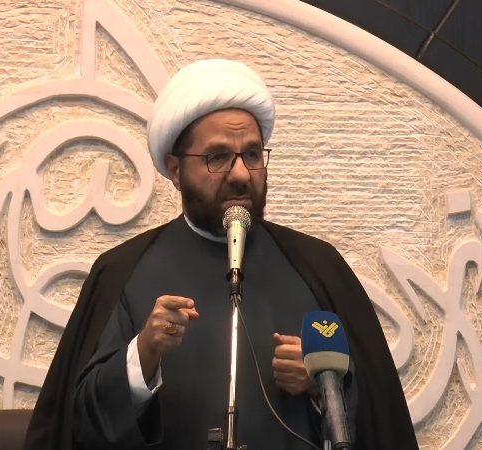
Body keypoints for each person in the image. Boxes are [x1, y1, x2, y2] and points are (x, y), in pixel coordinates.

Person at [24, 59, 418, 450]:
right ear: (175, 169)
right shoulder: (122, 272)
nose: (241, 173)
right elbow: (78, 424)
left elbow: (379, 418)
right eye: (217, 157)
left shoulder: (319, 267)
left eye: (252, 154)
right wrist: (142, 355)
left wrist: (324, 385)